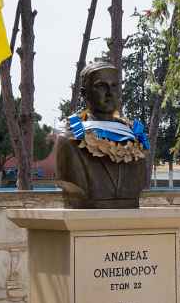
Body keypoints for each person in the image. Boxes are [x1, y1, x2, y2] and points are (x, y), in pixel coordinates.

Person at [56, 60, 149, 208]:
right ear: (84, 93)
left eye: (114, 86)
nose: (110, 93)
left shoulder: (136, 138)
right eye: (101, 86)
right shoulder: (69, 141)